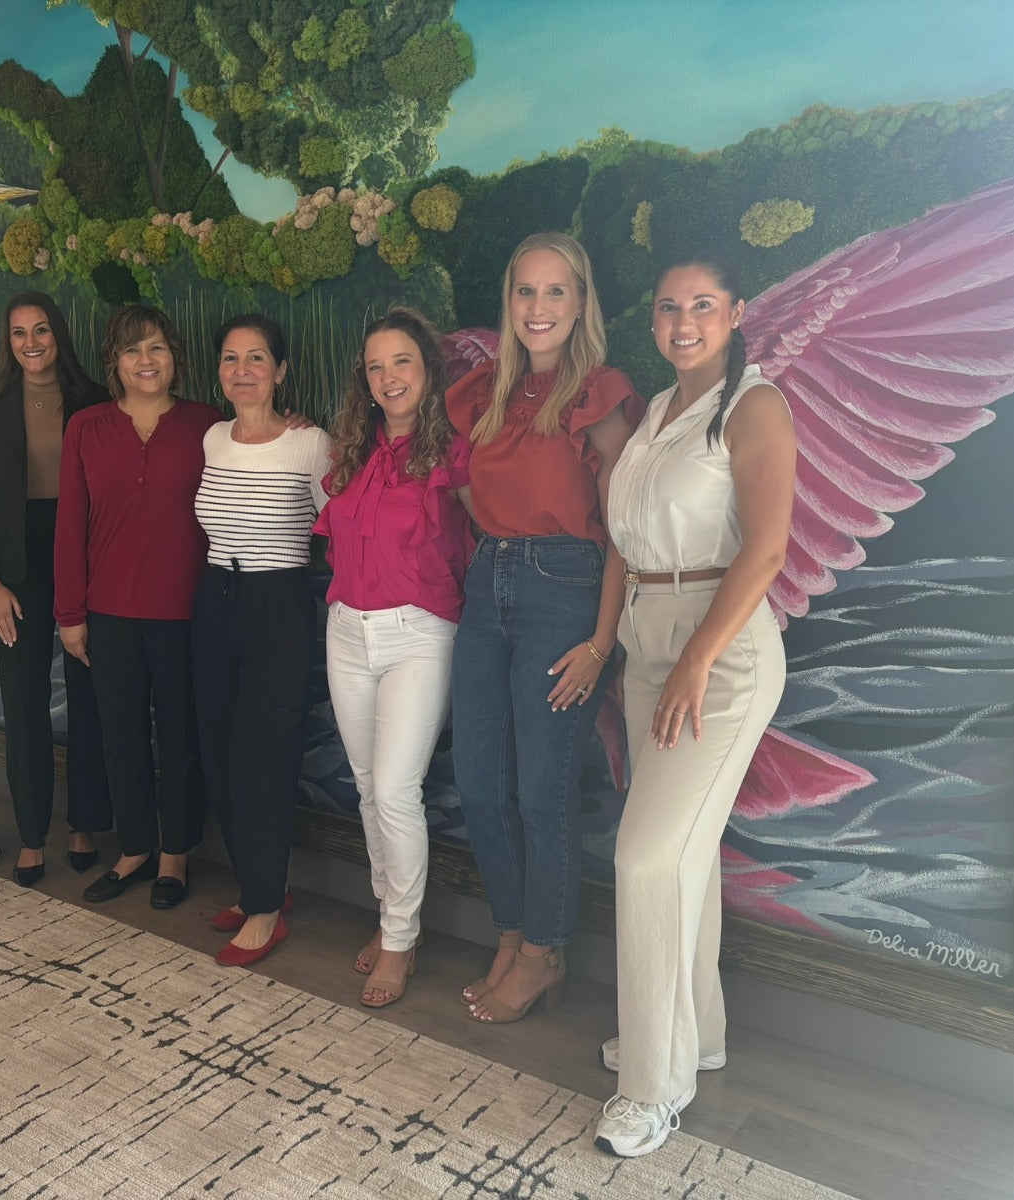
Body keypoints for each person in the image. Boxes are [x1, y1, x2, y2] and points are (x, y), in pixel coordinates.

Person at [593, 251, 794, 1157]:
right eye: (669, 307)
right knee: (684, 855)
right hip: (649, 637)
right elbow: (627, 538)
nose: (683, 322)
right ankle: (693, 1034)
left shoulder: (753, 403)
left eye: (702, 306)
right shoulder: (660, 411)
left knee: (643, 857)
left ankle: (652, 1085)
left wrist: (696, 660)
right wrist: (631, 646)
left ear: (735, 310)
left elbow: (766, 549)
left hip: (720, 645)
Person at [446, 231, 644, 1024]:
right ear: (509, 302)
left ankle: (545, 951)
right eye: (525, 292)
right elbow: (468, 491)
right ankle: (512, 927)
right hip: (488, 577)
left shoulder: (597, 393)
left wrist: (602, 643)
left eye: (555, 292)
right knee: (481, 782)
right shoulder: (482, 392)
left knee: (541, 788)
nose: (538, 308)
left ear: (581, 302)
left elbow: (628, 529)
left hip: (566, 586)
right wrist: (497, 538)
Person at [314, 308, 474, 1008]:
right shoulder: (353, 450)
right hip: (347, 630)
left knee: (393, 791)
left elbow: (486, 541)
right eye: (375, 366)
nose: (387, 377)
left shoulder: (454, 452)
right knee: (363, 781)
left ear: (427, 368)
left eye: (401, 361)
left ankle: (402, 939)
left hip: (420, 633)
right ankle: (388, 919)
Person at [55, 305, 220, 909]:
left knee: (178, 737)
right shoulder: (87, 428)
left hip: (185, 612)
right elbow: (70, 524)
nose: (145, 361)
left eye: (155, 348)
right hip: (109, 613)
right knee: (119, 736)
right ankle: (133, 850)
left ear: (174, 356)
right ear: (114, 363)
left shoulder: (209, 424)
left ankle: (175, 853)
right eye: (131, 351)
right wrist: (70, 613)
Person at [192, 313, 331, 966]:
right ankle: (257, 887)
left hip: (280, 605)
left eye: (256, 358)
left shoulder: (310, 444)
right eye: (229, 357)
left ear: (280, 370)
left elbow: (341, 524)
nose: (241, 370)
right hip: (216, 599)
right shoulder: (213, 439)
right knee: (218, 749)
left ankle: (268, 911)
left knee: (262, 758)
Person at [0, 290, 112, 887]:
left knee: (88, 697)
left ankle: (84, 821)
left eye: (42, 330)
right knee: (23, 702)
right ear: (9, 342)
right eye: (19, 333)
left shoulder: (95, 402)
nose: (31, 342)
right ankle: (31, 833)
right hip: (14, 564)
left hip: (82, 553)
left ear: (59, 336)